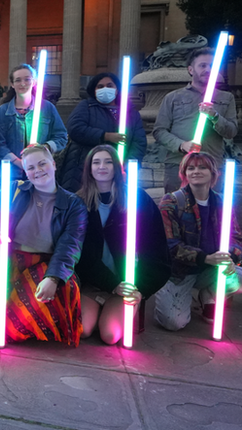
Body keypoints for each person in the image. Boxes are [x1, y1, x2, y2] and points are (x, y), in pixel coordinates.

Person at [0, 144, 87, 346]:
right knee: (7, 326)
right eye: (31, 167)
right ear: (25, 171)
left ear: (54, 165)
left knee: (60, 289)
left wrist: (54, 277)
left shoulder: (74, 204)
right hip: (12, 262)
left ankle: (39, 325)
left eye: (42, 164)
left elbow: (70, 246)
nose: (37, 171)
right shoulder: (14, 189)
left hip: (49, 263)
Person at [74, 145, 170, 344]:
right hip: (96, 281)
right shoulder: (79, 202)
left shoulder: (138, 199)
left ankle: (115, 310)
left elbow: (156, 248)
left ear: (117, 167)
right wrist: (111, 285)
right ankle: (100, 307)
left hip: (127, 282)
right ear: (89, 168)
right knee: (82, 330)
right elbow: (81, 255)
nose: (102, 166)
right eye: (96, 162)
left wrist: (142, 288)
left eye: (108, 161)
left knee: (110, 335)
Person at [153, 152, 242, 331]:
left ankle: (209, 295)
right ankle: (175, 296)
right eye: (191, 168)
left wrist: (231, 256)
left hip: (211, 269)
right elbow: (169, 245)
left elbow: (235, 237)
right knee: (173, 322)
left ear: (213, 173)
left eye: (202, 167)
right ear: (184, 173)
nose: (196, 171)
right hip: (179, 273)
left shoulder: (222, 201)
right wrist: (205, 258)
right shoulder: (172, 202)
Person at [154, 47, 238, 193]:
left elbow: (231, 131)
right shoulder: (173, 97)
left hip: (211, 165)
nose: (208, 69)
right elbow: (159, 131)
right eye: (202, 65)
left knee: (209, 210)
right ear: (191, 69)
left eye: (212, 66)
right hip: (178, 164)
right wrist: (182, 145)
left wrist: (215, 116)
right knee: (174, 208)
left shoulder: (226, 98)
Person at [59, 72, 147, 192]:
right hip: (83, 169)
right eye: (100, 86)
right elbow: (75, 128)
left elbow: (139, 141)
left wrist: (128, 165)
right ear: (94, 90)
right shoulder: (86, 106)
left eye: (110, 85)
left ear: (117, 89)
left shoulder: (130, 112)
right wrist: (105, 136)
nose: (105, 89)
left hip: (118, 168)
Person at [0, 63, 68, 181]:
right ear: (12, 84)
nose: (23, 83)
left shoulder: (47, 108)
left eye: (27, 79)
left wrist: (46, 147)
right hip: (12, 174)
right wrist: (18, 162)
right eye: (18, 80)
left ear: (34, 82)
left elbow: (61, 136)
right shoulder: (2, 112)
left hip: (41, 173)